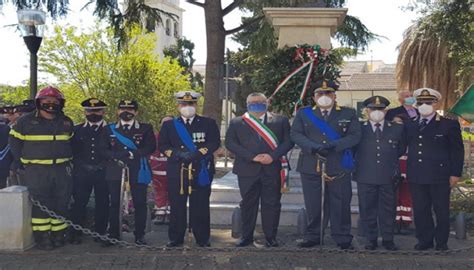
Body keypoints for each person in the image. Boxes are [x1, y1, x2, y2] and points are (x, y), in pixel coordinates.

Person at [290, 80, 361, 249]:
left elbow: (355, 136)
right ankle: (313, 235)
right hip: (311, 163)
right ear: (314, 97)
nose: (324, 97)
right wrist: (314, 148)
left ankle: (342, 236)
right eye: (320, 94)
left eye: (328, 93)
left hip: (339, 164)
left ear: (334, 96)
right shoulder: (304, 113)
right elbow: (296, 134)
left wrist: (333, 146)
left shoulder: (348, 113)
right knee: (313, 203)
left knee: (341, 202)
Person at [9, 86, 74, 250]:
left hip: (61, 170)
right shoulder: (25, 121)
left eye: (55, 101)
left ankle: (58, 234)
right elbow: (15, 143)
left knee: (61, 202)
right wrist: (21, 161)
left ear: (61, 103)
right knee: (41, 204)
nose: (51, 104)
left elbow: (72, 143)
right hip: (36, 171)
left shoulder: (66, 122)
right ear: (39, 102)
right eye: (47, 101)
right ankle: (42, 237)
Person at [225, 92, 294, 248]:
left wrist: (273, 156)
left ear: (267, 103)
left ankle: (271, 237)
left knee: (272, 204)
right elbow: (230, 143)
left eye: (260, 102)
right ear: (247, 104)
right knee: (248, 204)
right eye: (252, 102)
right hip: (247, 170)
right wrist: (252, 157)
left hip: (273, 168)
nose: (256, 104)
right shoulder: (237, 122)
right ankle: (246, 236)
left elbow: (288, 141)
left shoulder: (280, 120)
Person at [158, 91, 220, 247]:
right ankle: (175, 238)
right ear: (178, 106)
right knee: (177, 205)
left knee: (200, 205)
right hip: (177, 170)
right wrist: (178, 154)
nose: (187, 107)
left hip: (200, 169)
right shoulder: (169, 125)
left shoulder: (208, 123)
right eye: (184, 104)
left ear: (196, 105)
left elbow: (214, 143)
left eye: (191, 104)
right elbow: (163, 145)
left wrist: (198, 153)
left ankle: (202, 238)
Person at [406, 88, 464, 251]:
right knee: (420, 210)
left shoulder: (448, 124)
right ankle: (424, 240)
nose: (425, 105)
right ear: (416, 104)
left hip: (440, 175)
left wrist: (455, 173)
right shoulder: (410, 124)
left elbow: (457, 151)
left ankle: (441, 242)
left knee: (441, 210)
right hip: (417, 174)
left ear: (435, 103)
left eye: (428, 102)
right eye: (421, 102)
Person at [99, 100, 156, 245]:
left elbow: (150, 147)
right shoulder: (108, 129)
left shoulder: (145, 128)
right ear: (118, 111)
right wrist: (117, 156)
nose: (126, 112)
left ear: (136, 112)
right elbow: (102, 149)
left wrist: (132, 154)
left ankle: (139, 235)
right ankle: (114, 234)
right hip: (114, 169)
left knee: (140, 203)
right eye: (123, 109)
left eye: (130, 109)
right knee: (114, 203)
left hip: (138, 169)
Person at [353, 96, 406, 251]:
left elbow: (400, 149)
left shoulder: (396, 128)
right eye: (373, 109)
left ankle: (388, 239)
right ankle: (371, 240)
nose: (376, 112)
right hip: (365, 175)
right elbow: (353, 149)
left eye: (380, 109)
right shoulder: (359, 128)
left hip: (388, 176)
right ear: (367, 111)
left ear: (386, 111)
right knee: (367, 209)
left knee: (388, 209)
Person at [69, 98, 109, 245]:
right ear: (85, 112)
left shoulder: (110, 129)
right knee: (79, 203)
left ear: (103, 112)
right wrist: (82, 165)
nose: (93, 113)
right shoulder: (76, 130)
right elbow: (72, 151)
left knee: (103, 203)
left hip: (103, 172)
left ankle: (101, 232)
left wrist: (101, 165)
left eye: (97, 111)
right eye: (89, 111)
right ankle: (76, 233)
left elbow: (114, 150)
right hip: (82, 172)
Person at [392, 114, 413, 233]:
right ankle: (395, 221)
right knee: (394, 198)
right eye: (394, 122)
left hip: (407, 170)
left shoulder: (409, 137)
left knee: (405, 198)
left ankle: (405, 222)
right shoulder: (390, 135)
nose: (396, 125)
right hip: (394, 170)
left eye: (399, 122)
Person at [150, 116, 173, 225]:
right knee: (160, 192)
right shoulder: (154, 138)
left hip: (173, 171)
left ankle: (170, 214)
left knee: (173, 193)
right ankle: (159, 214)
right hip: (157, 172)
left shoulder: (177, 138)